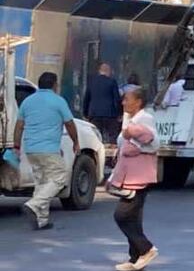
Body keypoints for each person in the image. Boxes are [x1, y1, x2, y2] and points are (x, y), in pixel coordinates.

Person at [14, 72, 78, 230]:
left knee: (41, 182)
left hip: (31, 150)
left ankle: (41, 220)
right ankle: (34, 204)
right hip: (48, 149)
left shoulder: (28, 101)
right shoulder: (58, 101)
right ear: (55, 85)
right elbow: (69, 123)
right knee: (59, 178)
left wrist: (16, 146)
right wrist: (76, 141)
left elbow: (19, 125)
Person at [109, 87, 160, 271]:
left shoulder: (144, 119)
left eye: (127, 99)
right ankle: (135, 257)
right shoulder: (131, 119)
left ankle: (146, 249)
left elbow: (153, 143)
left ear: (138, 102)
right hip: (130, 176)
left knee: (122, 215)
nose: (123, 102)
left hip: (139, 176)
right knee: (134, 217)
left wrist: (134, 145)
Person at [82, 61, 122, 142]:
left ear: (99, 71)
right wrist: (119, 113)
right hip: (110, 114)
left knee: (95, 137)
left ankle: (97, 152)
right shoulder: (112, 82)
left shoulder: (92, 82)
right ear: (109, 71)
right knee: (112, 136)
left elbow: (87, 98)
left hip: (94, 114)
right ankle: (110, 153)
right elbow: (117, 99)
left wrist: (85, 114)